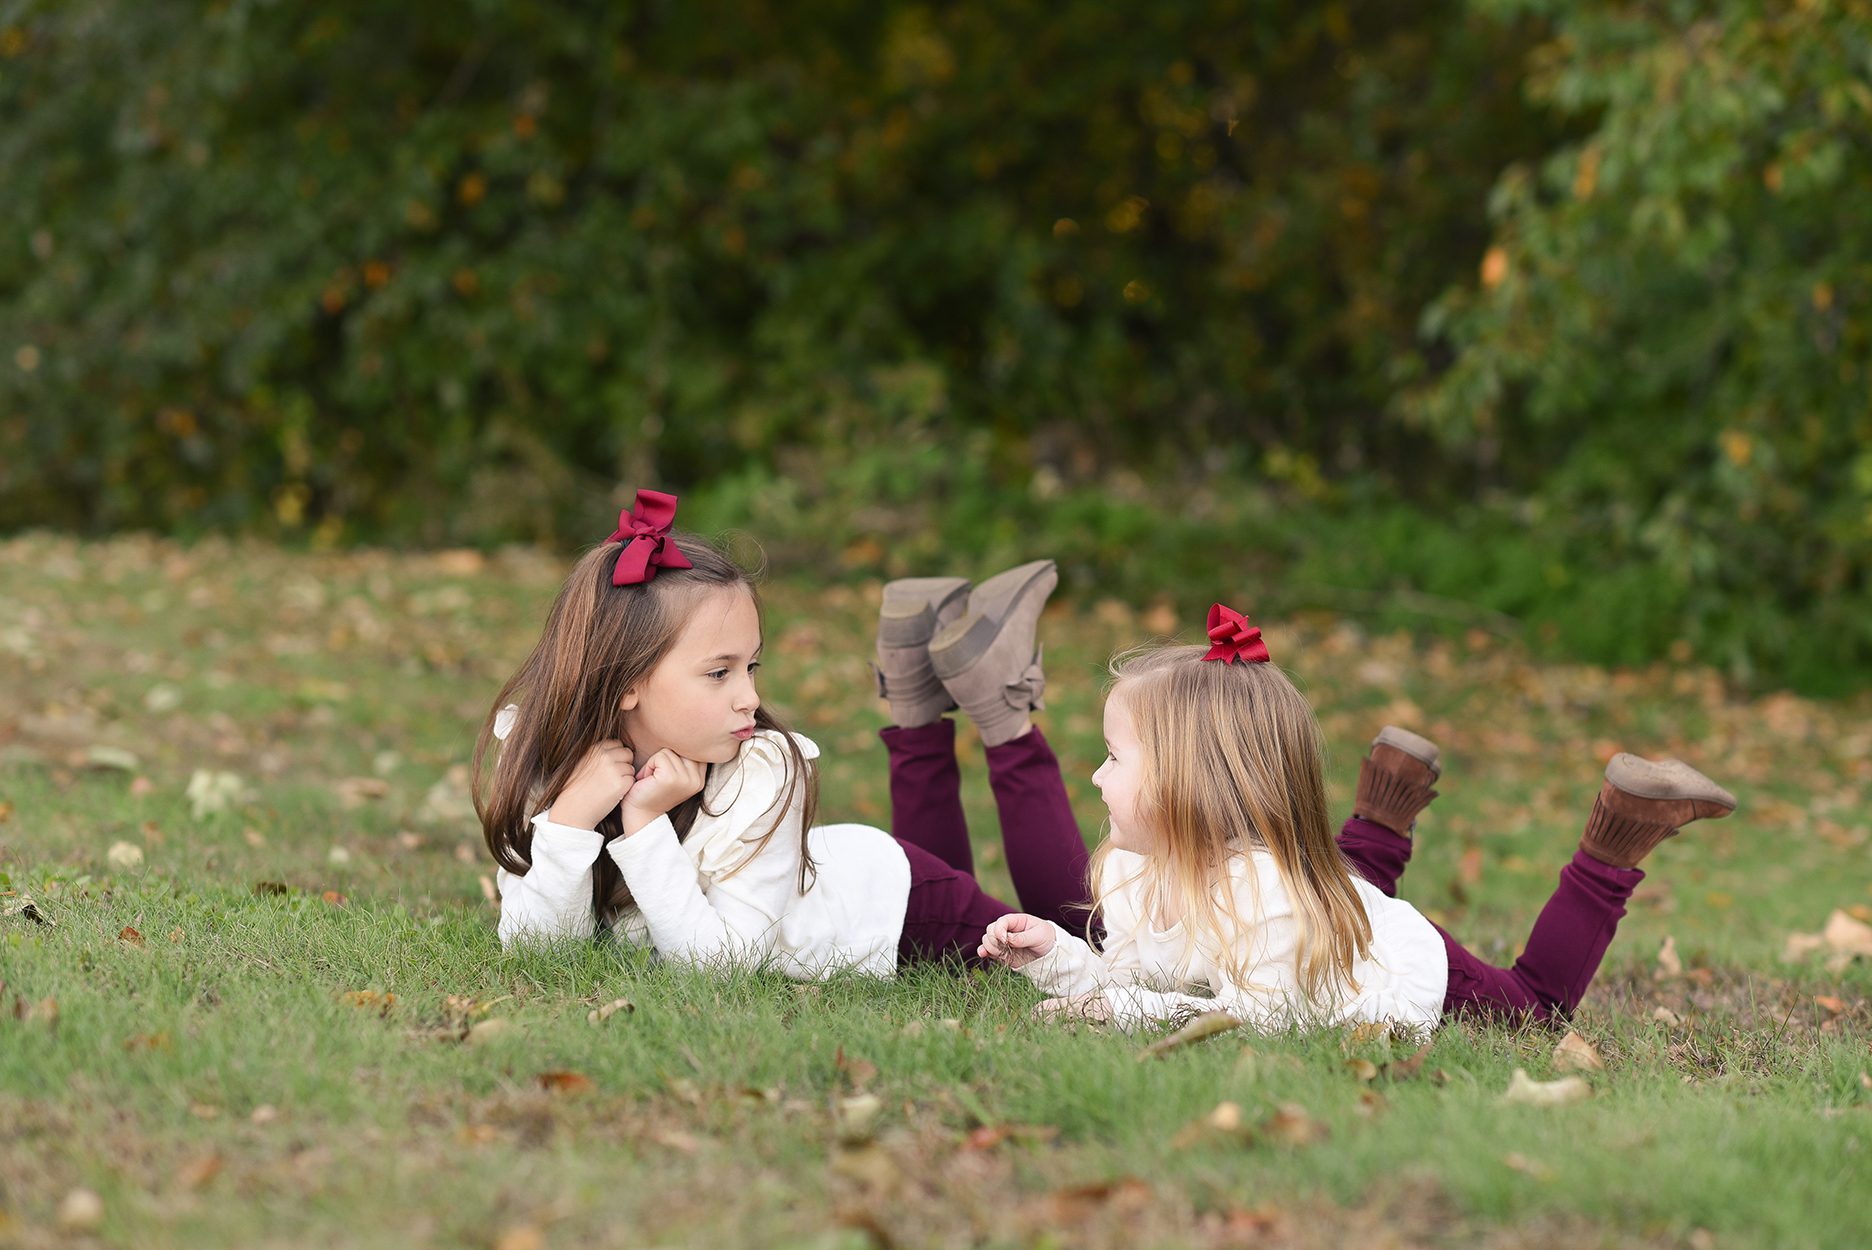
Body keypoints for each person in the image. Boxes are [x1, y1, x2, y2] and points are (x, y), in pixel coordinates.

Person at [978, 604, 1737, 1030]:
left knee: (1532, 1011)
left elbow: (1262, 1018)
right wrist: (1055, 954)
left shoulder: (1257, 895)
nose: (1095, 774)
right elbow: (1133, 974)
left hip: (1390, 959)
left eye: (1114, 757)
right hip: (1321, 907)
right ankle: (1386, 800)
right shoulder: (1140, 869)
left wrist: (1120, 1010)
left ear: (1189, 786)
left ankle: (1622, 828)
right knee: (1335, 879)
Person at [476, 490, 1089, 976]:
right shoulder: (557, 763)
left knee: (1086, 952)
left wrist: (643, 827)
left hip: (911, 911)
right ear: (625, 682)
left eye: (751, 666)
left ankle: (1000, 711)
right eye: (719, 673)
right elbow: (537, 959)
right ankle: (918, 696)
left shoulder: (762, 769)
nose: (751, 698)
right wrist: (569, 822)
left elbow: (722, 969)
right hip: (866, 893)